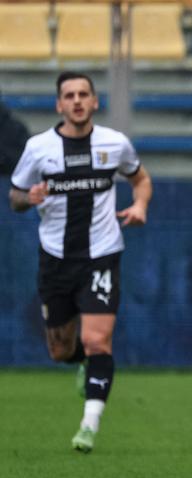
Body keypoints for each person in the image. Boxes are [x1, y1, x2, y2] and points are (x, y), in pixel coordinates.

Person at [8, 71, 152, 453]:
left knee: (97, 339)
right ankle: (83, 363)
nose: (76, 101)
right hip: (55, 258)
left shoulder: (114, 143)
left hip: (102, 254)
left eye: (83, 94)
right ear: (58, 104)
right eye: (68, 95)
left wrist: (139, 205)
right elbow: (15, 197)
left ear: (94, 102)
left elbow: (141, 179)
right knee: (60, 350)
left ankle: (89, 425)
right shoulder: (39, 148)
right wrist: (30, 197)